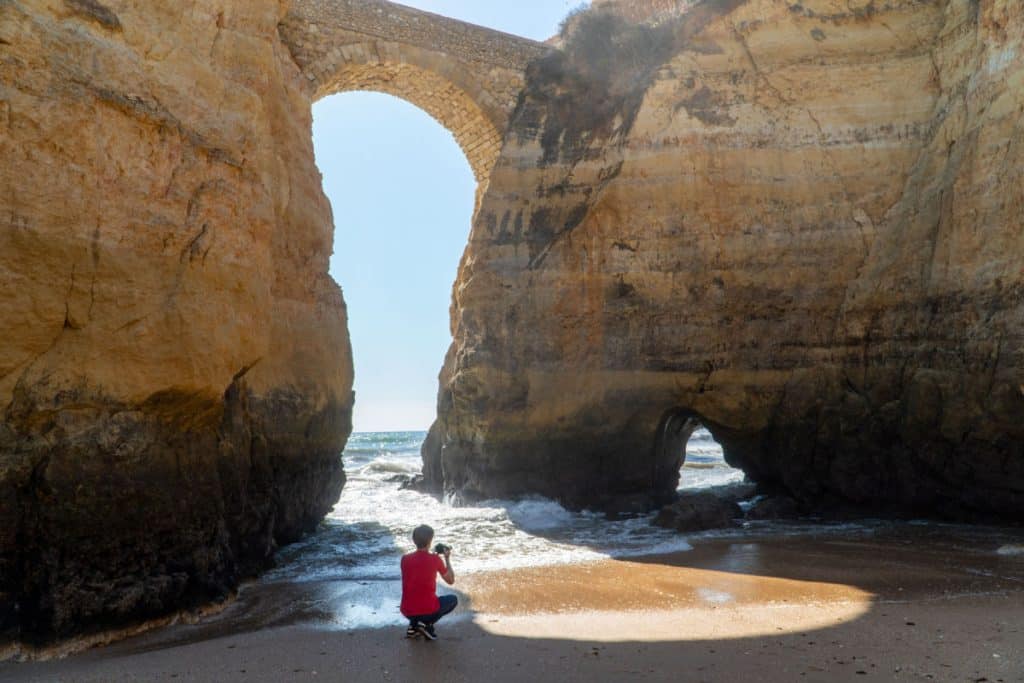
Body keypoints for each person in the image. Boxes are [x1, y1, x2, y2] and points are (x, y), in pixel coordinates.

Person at [400, 524, 456, 641]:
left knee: (416, 600)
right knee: (452, 600)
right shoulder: (435, 560)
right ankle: (425, 625)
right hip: (427, 609)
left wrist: (432, 557)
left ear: (414, 541)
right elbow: (450, 580)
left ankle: (414, 626)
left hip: (407, 610)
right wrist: (447, 559)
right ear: (430, 541)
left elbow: (418, 574)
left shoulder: (405, 559)